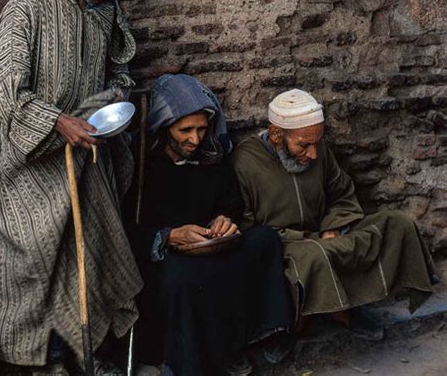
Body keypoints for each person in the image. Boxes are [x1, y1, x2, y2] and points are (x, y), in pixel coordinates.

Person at [0, 0, 143, 375]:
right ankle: (33, 362)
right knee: (34, 266)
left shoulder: (104, 6)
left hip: (86, 156)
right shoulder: (26, 9)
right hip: (33, 165)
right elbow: (2, 89)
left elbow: (119, 68)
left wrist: (115, 96)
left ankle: (83, 355)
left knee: (88, 260)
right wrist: (56, 121)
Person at [232, 89, 437, 341]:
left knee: (397, 223)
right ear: (276, 134)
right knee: (315, 255)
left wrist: (333, 227)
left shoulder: (318, 151)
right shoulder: (245, 161)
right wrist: (307, 237)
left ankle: (342, 303)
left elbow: (342, 194)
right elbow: (248, 227)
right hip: (286, 244)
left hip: (327, 234)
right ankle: (330, 314)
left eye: (316, 144)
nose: (313, 154)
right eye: (304, 145)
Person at [126, 74, 294, 376]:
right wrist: (169, 235)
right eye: (185, 130)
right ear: (165, 128)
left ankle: (257, 339)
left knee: (266, 239)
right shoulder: (144, 172)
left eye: (201, 129)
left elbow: (230, 204)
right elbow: (127, 231)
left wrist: (223, 221)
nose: (195, 139)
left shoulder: (212, 161)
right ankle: (194, 362)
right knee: (183, 278)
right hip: (172, 258)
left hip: (213, 248)